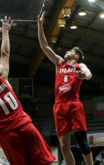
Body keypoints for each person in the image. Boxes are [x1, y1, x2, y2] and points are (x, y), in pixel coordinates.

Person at [0, 17, 55, 165]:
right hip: (26, 125)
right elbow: (5, 54)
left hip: (8, 135)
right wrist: (6, 32)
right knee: (45, 162)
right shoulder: (2, 77)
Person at [37, 11, 93, 165]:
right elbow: (44, 46)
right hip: (59, 105)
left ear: (76, 56)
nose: (66, 52)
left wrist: (84, 75)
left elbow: (88, 73)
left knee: (82, 142)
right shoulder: (59, 63)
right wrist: (40, 26)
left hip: (73, 104)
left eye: (71, 51)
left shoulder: (78, 65)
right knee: (63, 145)